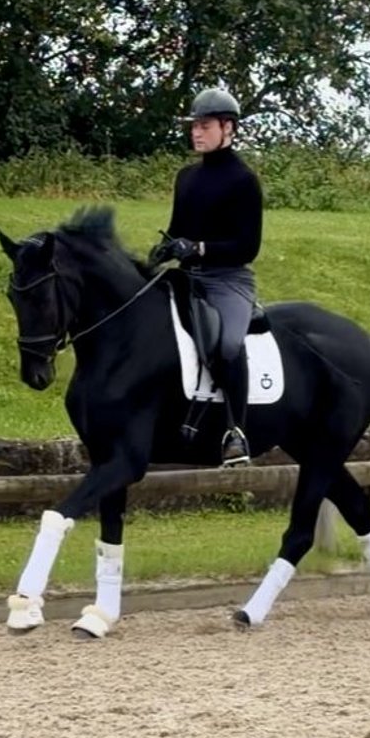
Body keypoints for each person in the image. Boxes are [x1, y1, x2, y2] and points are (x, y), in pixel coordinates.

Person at [149, 87, 262, 467]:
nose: (196, 132)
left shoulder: (244, 180)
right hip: (187, 277)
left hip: (228, 280)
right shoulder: (186, 177)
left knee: (228, 344)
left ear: (228, 128)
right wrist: (164, 250)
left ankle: (236, 432)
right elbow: (177, 228)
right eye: (194, 126)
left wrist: (198, 248)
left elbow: (247, 246)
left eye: (205, 125)